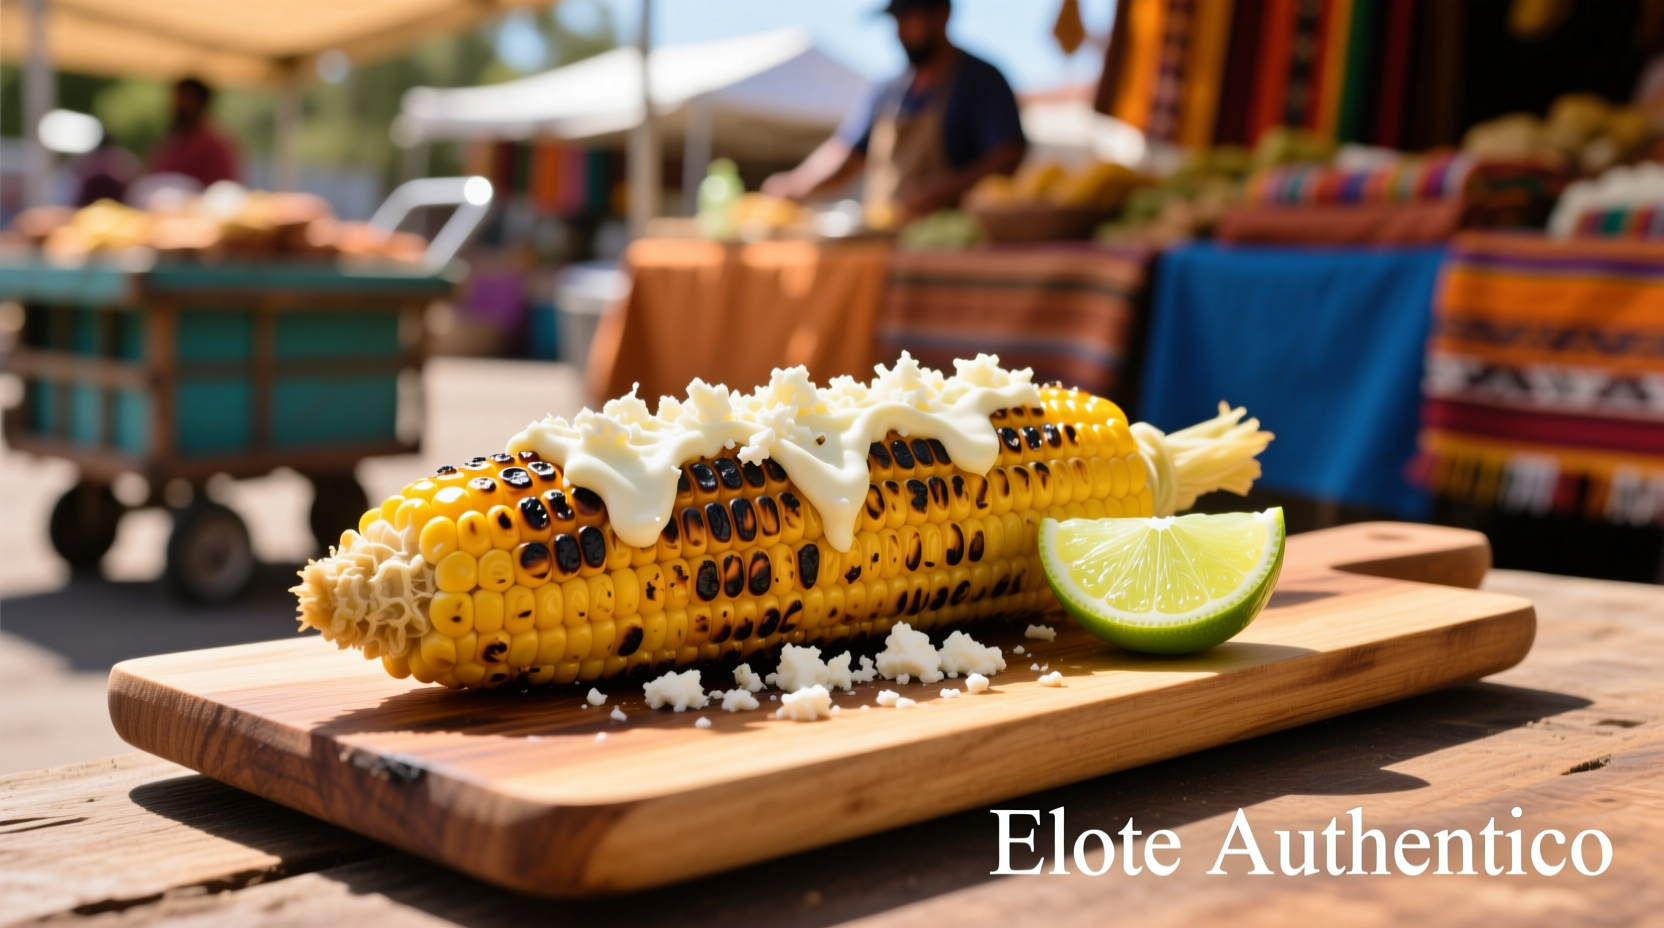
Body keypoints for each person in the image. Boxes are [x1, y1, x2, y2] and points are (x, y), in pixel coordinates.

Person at [762, 0, 1026, 227]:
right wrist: (796, 184)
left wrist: (943, 190)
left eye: (909, 18)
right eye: (897, 20)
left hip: (955, 242)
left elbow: (1008, 157)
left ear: (942, 15)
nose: (900, 30)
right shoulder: (888, 91)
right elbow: (847, 154)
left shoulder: (980, 81)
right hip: (888, 238)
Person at [148, 78, 239, 188]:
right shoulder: (170, 142)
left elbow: (222, 189)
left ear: (201, 104)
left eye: (184, 99)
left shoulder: (213, 145)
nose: (177, 105)